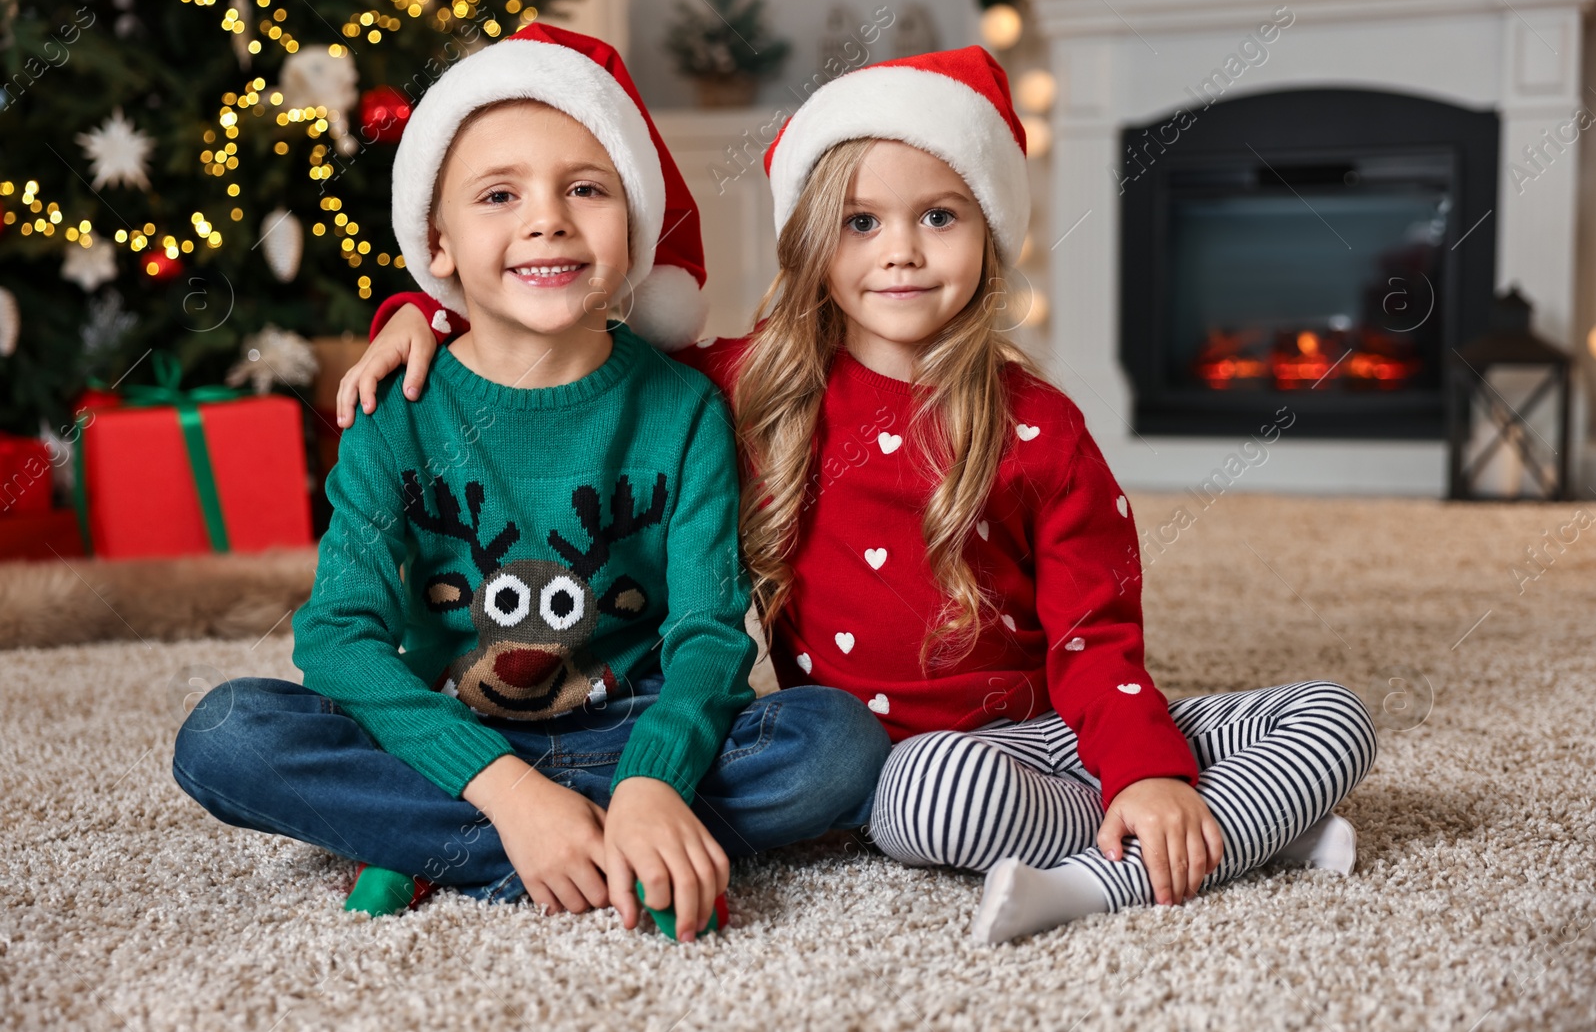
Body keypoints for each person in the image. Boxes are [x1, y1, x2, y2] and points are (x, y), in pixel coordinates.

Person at [338, 46, 1378, 944]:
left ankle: (1149, 839)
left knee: (1333, 717)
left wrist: (1144, 765)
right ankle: (1238, 833)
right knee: (919, 794)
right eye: (860, 221)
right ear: (811, 244)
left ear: (989, 235)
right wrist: (417, 315)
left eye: (938, 216)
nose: (900, 251)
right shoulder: (749, 384)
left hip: (1055, 723)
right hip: (902, 764)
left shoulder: (1040, 427)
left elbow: (1094, 637)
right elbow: (557, 335)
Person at [171, 24, 888, 940]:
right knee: (228, 730)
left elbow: (709, 636)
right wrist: (508, 790)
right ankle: (585, 846)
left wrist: (654, 776)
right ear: (438, 244)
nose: (546, 218)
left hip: (632, 726)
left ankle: (461, 841)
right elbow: (339, 638)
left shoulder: (684, 410)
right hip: (458, 738)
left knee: (836, 743)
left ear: (631, 232)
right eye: (499, 195)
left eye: (586, 190)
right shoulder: (397, 410)